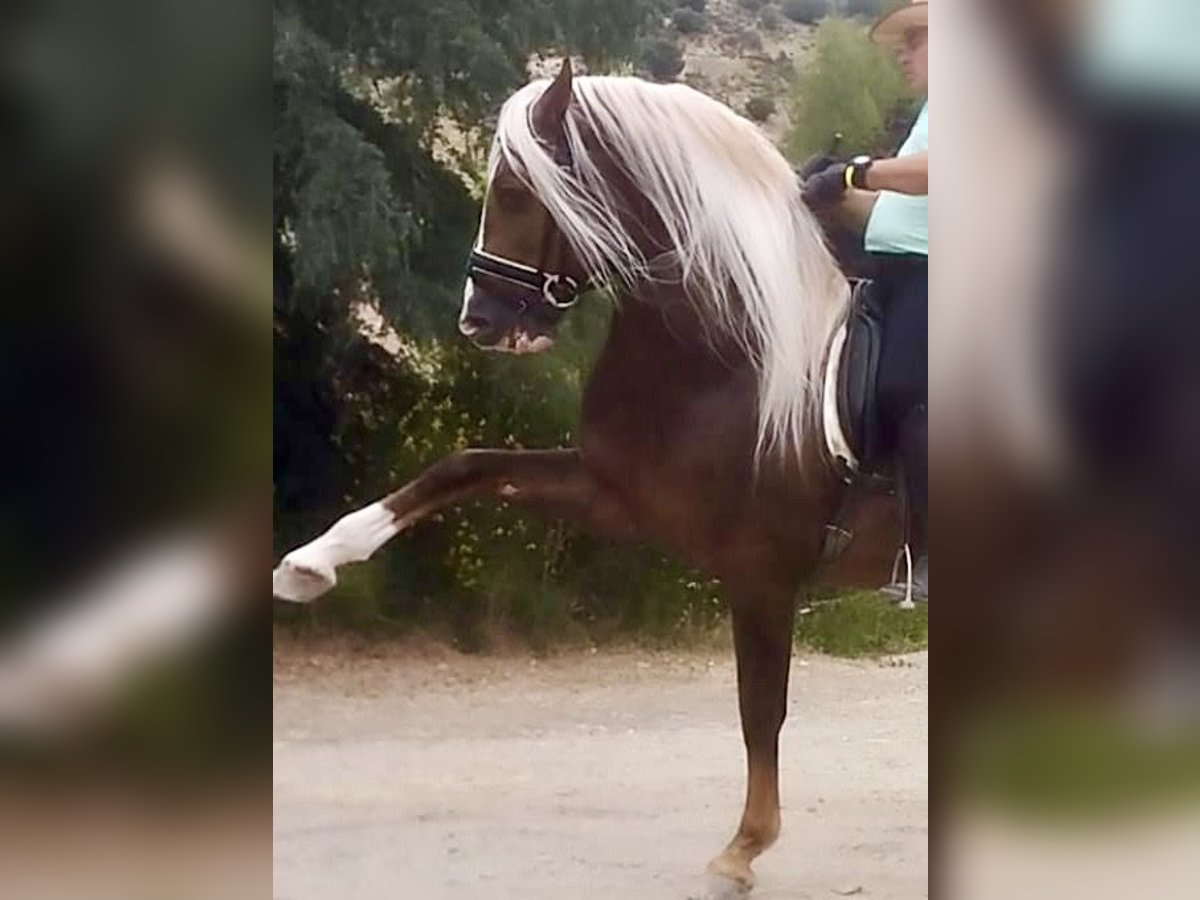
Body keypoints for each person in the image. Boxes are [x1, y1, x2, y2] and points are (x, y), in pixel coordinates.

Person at [800, 0, 929, 601]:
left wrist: (855, 173)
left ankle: (935, 552)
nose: (904, 51)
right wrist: (822, 190)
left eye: (919, 39)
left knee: (906, 385)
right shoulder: (932, 116)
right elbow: (892, 212)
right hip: (894, 276)